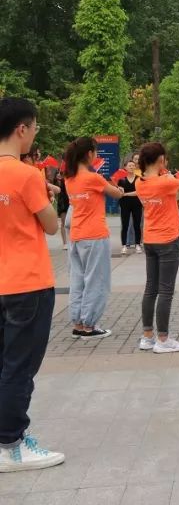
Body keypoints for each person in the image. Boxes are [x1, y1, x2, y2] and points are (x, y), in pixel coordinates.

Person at [0, 97, 65, 472]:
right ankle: (12, 444)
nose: (34, 134)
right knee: (20, 366)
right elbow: (51, 225)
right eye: (35, 127)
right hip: (27, 282)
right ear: (22, 129)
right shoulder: (26, 174)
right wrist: (46, 196)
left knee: (5, 363)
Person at [136, 142, 179, 354]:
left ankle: (147, 336)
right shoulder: (166, 181)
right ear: (161, 160)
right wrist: (175, 176)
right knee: (166, 291)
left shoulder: (139, 182)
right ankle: (163, 339)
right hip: (167, 240)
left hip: (150, 239)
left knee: (150, 288)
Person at [64, 137, 126, 339]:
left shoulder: (69, 178)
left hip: (76, 235)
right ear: (89, 154)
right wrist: (120, 189)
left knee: (78, 280)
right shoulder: (93, 178)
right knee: (96, 281)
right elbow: (116, 194)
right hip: (95, 234)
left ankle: (78, 323)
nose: (97, 155)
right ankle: (90, 325)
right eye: (96, 152)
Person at [117, 159, 143, 256]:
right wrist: (119, 190)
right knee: (125, 225)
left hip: (137, 204)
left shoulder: (139, 179)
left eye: (133, 166)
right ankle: (124, 245)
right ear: (125, 167)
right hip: (124, 204)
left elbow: (138, 192)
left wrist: (125, 194)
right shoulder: (121, 180)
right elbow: (119, 193)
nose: (131, 167)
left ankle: (137, 244)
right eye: (129, 166)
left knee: (137, 224)